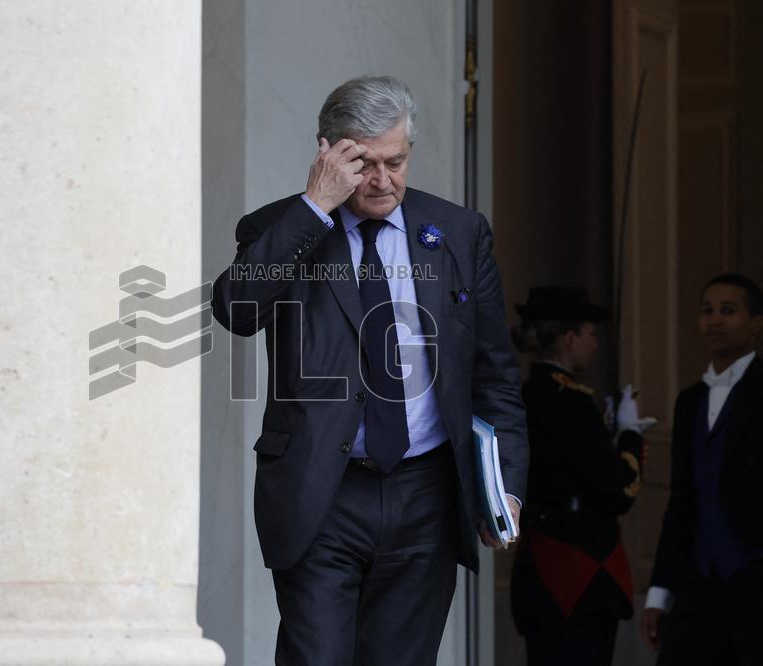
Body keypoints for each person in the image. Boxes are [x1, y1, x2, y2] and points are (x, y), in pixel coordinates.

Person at [211, 75, 529, 665]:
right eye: (364, 164)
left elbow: (493, 373)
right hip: (321, 494)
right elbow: (238, 309)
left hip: (426, 492)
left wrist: (502, 483)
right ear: (329, 152)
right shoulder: (278, 228)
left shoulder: (459, 233)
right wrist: (315, 207)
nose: (383, 181)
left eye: (396, 162)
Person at [508, 286, 655, 666]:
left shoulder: (528, 393)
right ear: (570, 338)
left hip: (543, 568)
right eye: (590, 334)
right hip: (577, 572)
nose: (595, 343)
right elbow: (617, 491)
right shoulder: (569, 401)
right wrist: (629, 435)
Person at [640, 273, 763, 665]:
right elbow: (681, 502)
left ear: (756, 322)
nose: (715, 320)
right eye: (707, 310)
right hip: (698, 581)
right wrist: (660, 593)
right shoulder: (689, 401)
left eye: (729, 311)